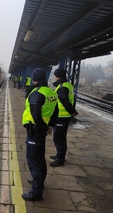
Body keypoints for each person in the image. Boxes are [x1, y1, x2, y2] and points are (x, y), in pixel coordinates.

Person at [21, 68, 58, 201]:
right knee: (40, 157)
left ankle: (36, 191)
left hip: (35, 130)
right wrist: (50, 126)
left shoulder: (37, 93)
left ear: (34, 78)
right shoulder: (51, 92)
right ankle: (40, 181)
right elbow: (55, 111)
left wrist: (43, 128)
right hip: (41, 130)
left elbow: (36, 114)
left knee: (33, 160)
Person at [49, 68, 78, 167]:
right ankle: (59, 155)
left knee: (58, 138)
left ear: (57, 76)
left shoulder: (61, 87)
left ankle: (60, 160)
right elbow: (73, 99)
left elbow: (64, 101)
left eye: (55, 75)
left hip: (61, 116)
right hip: (64, 116)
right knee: (61, 138)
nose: (54, 77)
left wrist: (73, 111)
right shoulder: (68, 85)